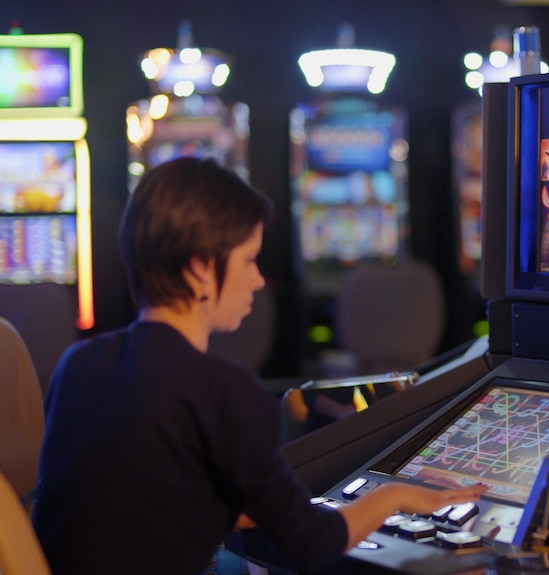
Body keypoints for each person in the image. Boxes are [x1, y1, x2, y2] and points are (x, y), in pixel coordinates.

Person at [31, 157, 487, 575]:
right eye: (248, 260)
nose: (257, 279)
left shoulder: (79, 363)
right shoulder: (221, 389)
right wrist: (397, 494)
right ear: (199, 269)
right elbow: (313, 544)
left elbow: (133, 506)